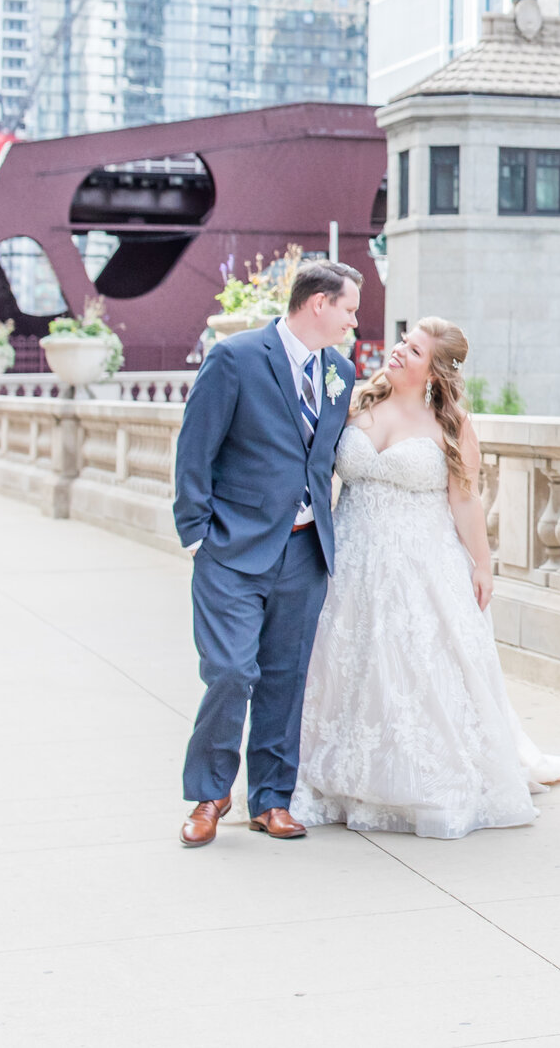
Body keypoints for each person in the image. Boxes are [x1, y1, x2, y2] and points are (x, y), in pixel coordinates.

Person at [291, 317, 560, 840]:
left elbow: (465, 498)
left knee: (415, 669)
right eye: (402, 342)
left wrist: (482, 565)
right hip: (350, 560)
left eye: (412, 350)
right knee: (346, 665)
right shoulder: (354, 404)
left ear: (434, 372)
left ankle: (419, 780)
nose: (397, 352)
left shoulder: (452, 424)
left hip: (421, 564)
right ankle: (333, 777)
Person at [170, 259, 364, 847]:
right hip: (233, 547)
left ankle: (271, 799)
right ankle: (210, 794)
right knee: (230, 671)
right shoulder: (235, 358)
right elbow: (195, 448)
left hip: (305, 552)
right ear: (319, 304)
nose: (354, 323)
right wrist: (199, 531)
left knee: (286, 678)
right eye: (350, 310)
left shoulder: (341, 372)